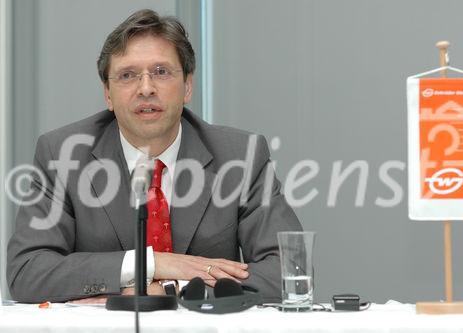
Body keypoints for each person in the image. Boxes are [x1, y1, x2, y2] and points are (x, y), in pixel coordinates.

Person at [7, 9, 302, 304]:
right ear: (107, 94)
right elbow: (27, 272)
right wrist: (152, 264)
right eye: (127, 75)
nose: (146, 88)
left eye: (161, 72)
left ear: (187, 86)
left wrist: (173, 288)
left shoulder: (240, 157)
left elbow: (287, 271)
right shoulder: (62, 155)